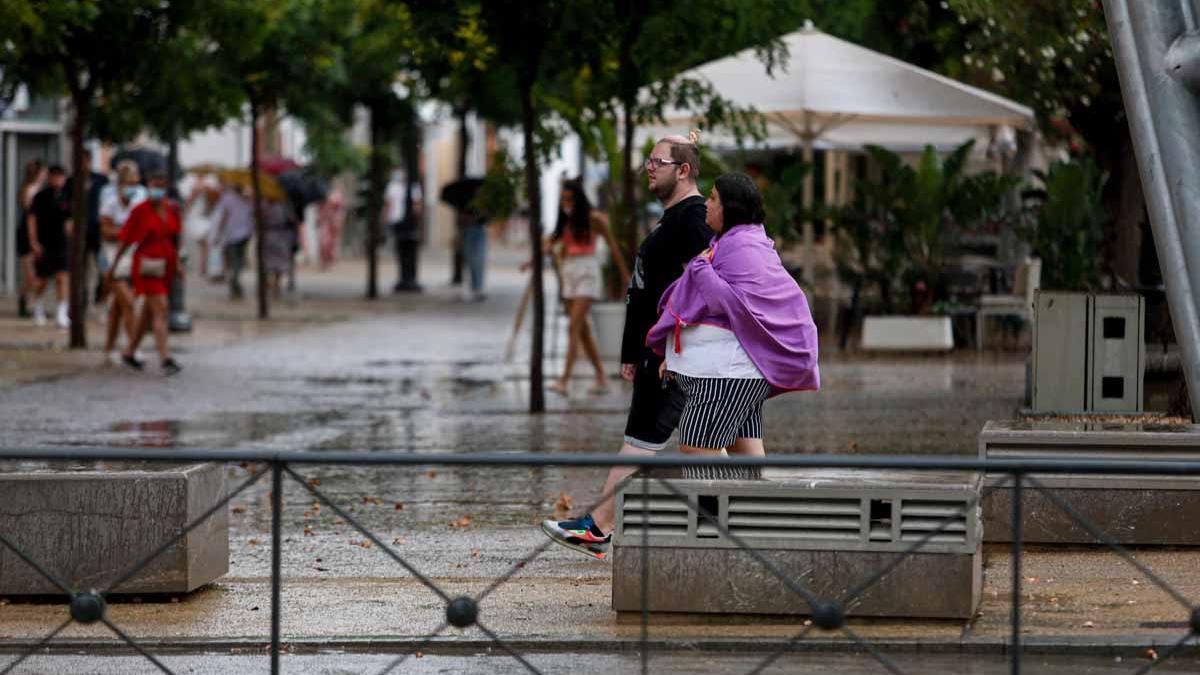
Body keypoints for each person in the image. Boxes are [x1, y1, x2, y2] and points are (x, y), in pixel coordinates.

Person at [540, 133, 712, 559]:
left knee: (642, 440)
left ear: (683, 170)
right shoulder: (673, 218)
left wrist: (672, 345)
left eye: (658, 161)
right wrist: (631, 351)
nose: (649, 167)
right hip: (658, 350)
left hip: (672, 353)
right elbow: (645, 288)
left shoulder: (694, 220)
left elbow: (706, 288)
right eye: (648, 161)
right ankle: (733, 521)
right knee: (708, 441)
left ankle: (598, 527)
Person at [646, 172, 820, 457]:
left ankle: (718, 502)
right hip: (735, 371)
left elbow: (726, 303)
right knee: (744, 451)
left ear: (731, 207)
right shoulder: (734, 243)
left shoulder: (743, 249)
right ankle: (748, 502)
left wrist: (700, 268)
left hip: (728, 374)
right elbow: (718, 311)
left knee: (697, 445)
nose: (706, 204)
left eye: (713, 198)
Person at [545, 179, 630, 396]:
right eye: (563, 200)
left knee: (573, 326)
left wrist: (625, 276)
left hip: (587, 273)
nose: (566, 203)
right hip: (569, 275)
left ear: (579, 199)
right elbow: (550, 244)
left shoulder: (594, 220)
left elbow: (613, 247)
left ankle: (564, 380)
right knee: (582, 330)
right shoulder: (564, 222)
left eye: (570, 199)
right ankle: (601, 376)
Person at [105, 170, 182, 375]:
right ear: (148, 186)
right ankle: (165, 357)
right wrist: (113, 267)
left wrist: (178, 265)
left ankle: (129, 351)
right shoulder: (140, 210)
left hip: (165, 265)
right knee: (161, 308)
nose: (158, 190)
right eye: (155, 185)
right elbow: (126, 239)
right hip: (147, 265)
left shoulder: (170, 209)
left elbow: (173, 238)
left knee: (148, 312)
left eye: (162, 186)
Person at [98, 161, 147, 364]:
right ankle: (132, 347)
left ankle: (109, 348)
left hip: (133, 257)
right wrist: (126, 233)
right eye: (129, 182)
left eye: (135, 182)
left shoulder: (141, 199)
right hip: (113, 257)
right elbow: (105, 231)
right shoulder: (109, 201)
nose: (132, 187)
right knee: (127, 301)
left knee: (119, 307)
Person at [26, 165, 72, 328]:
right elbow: (32, 219)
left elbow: (69, 220)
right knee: (43, 279)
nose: (59, 180)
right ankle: (38, 305)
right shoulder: (41, 196)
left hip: (61, 243)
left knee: (62, 277)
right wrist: (33, 242)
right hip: (44, 242)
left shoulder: (66, 196)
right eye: (56, 177)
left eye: (62, 177)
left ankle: (62, 312)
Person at [65, 149, 109, 311]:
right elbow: (66, 204)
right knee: (80, 269)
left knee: (103, 267)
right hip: (80, 231)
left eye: (84, 160)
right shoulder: (71, 181)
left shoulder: (101, 179)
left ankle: (100, 294)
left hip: (97, 231)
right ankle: (81, 301)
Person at [211, 182, 254, 299]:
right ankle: (235, 280)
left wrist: (218, 233)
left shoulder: (229, 198)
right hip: (243, 234)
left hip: (233, 234)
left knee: (234, 260)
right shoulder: (246, 199)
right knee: (238, 260)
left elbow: (224, 217)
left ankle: (234, 280)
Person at [385, 168, 423, 292]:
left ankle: (409, 277)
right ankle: (404, 277)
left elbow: (417, 205)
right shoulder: (393, 186)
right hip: (397, 221)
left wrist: (416, 218)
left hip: (408, 223)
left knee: (408, 250)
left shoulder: (413, 186)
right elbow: (388, 204)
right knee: (401, 250)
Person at [15, 159, 45, 318]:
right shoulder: (30, 190)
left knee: (35, 273)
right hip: (27, 234)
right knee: (30, 273)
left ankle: (29, 303)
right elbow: (30, 213)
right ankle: (26, 303)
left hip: (37, 233)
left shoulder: (40, 190)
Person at [262, 198, 297, 299]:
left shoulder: (267, 206)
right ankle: (275, 286)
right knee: (275, 263)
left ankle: (275, 286)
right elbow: (292, 219)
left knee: (273, 263)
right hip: (277, 236)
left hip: (274, 235)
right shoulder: (284, 206)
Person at [317, 185, 346, 270]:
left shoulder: (337, 194)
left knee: (333, 242)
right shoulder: (322, 192)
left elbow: (341, 209)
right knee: (324, 241)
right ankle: (324, 261)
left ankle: (331, 261)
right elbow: (320, 208)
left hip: (334, 221)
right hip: (325, 221)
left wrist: (339, 220)